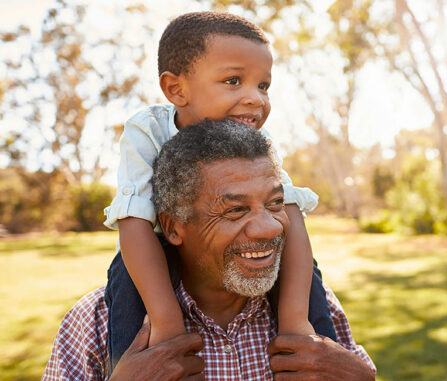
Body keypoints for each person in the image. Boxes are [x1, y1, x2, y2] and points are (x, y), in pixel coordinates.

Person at [43, 120, 376, 380]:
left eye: (276, 204)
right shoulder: (96, 322)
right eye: (235, 210)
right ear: (173, 226)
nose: (271, 227)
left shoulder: (315, 306)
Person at [101, 11, 335, 372]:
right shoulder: (148, 131)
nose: (255, 98)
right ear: (176, 89)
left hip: (236, 256)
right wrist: (166, 323)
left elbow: (290, 214)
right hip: (153, 249)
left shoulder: (260, 142)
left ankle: (317, 364)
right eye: (233, 81)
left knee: (309, 276)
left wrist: (295, 321)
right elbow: (133, 221)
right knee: (125, 287)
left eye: (263, 85)